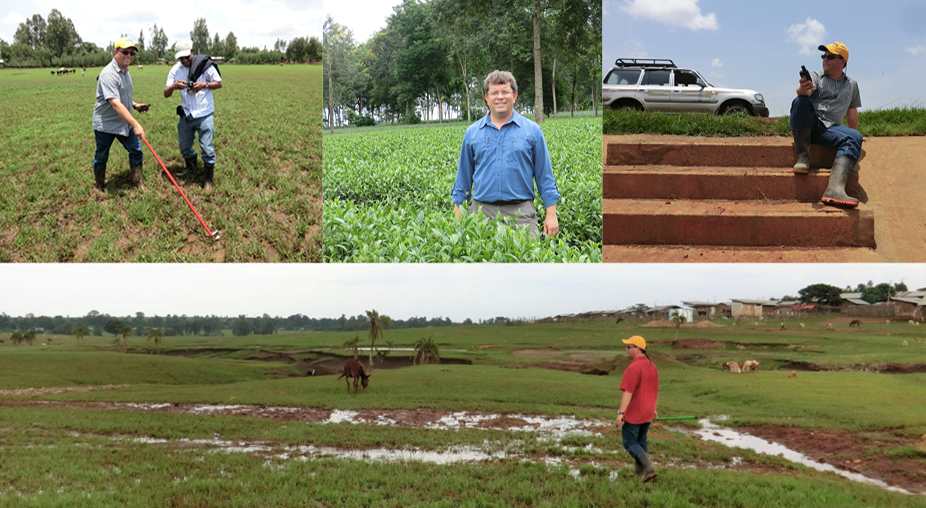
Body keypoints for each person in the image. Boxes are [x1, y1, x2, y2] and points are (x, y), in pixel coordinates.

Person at [451, 70, 560, 238]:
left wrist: (551, 214)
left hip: (521, 213)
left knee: (527, 260)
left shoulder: (532, 131)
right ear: (487, 98)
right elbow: (463, 178)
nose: (500, 97)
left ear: (514, 96)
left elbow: (544, 176)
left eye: (505, 92)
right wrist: (459, 213)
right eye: (494, 93)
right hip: (481, 214)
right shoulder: (472, 133)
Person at [790, 41, 862, 208]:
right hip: (809, 123)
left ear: (843, 61)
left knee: (855, 137)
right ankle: (802, 156)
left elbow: (852, 111)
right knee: (800, 100)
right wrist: (802, 89)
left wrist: (854, 138)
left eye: (830, 56)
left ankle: (834, 188)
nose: (825, 59)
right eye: (824, 56)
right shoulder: (815, 76)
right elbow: (805, 92)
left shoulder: (852, 84)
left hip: (830, 130)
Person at [164, 40, 223, 192]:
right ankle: (191, 168)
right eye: (180, 58)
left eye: (186, 57)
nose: (184, 61)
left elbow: (219, 83)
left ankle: (208, 180)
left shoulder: (205, 65)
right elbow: (166, 93)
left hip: (204, 113)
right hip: (186, 114)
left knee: (207, 148)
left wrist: (205, 85)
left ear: (191, 51)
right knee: (184, 146)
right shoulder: (175, 70)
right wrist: (174, 86)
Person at [91, 37, 148, 193]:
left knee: (136, 150)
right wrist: (136, 124)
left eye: (131, 53)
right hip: (106, 124)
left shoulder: (125, 71)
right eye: (125, 52)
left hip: (123, 121)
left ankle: (138, 183)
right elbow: (115, 103)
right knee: (102, 155)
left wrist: (134, 105)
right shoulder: (108, 74)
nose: (129, 56)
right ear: (115, 52)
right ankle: (100, 186)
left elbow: (121, 97)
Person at [615, 335, 659, 483]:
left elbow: (628, 392)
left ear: (637, 349)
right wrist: (653, 408)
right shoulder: (652, 365)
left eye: (629, 347)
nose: (626, 349)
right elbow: (654, 389)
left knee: (629, 442)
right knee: (641, 441)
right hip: (648, 411)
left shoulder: (633, 367)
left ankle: (648, 469)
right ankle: (640, 472)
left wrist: (621, 413)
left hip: (635, 413)